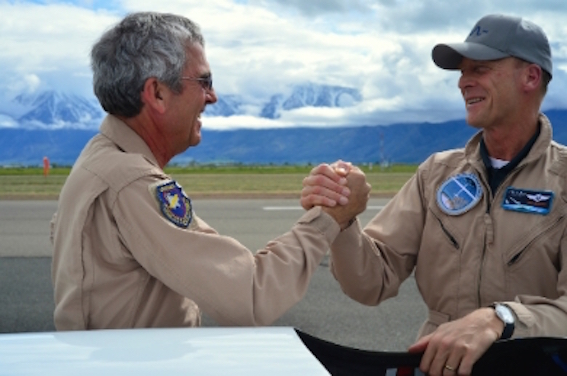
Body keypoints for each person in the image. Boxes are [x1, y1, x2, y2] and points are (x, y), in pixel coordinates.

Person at [50, 11, 370, 331]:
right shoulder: (131, 181)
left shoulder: (100, 159)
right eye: (204, 81)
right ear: (157, 93)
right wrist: (329, 217)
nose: (212, 97)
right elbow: (251, 296)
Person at [301, 14, 567, 375]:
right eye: (462, 71)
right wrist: (343, 219)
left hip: (535, 364)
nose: (463, 82)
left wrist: (500, 319)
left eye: (480, 69)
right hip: (439, 367)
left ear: (530, 77)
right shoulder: (437, 174)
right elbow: (370, 284)